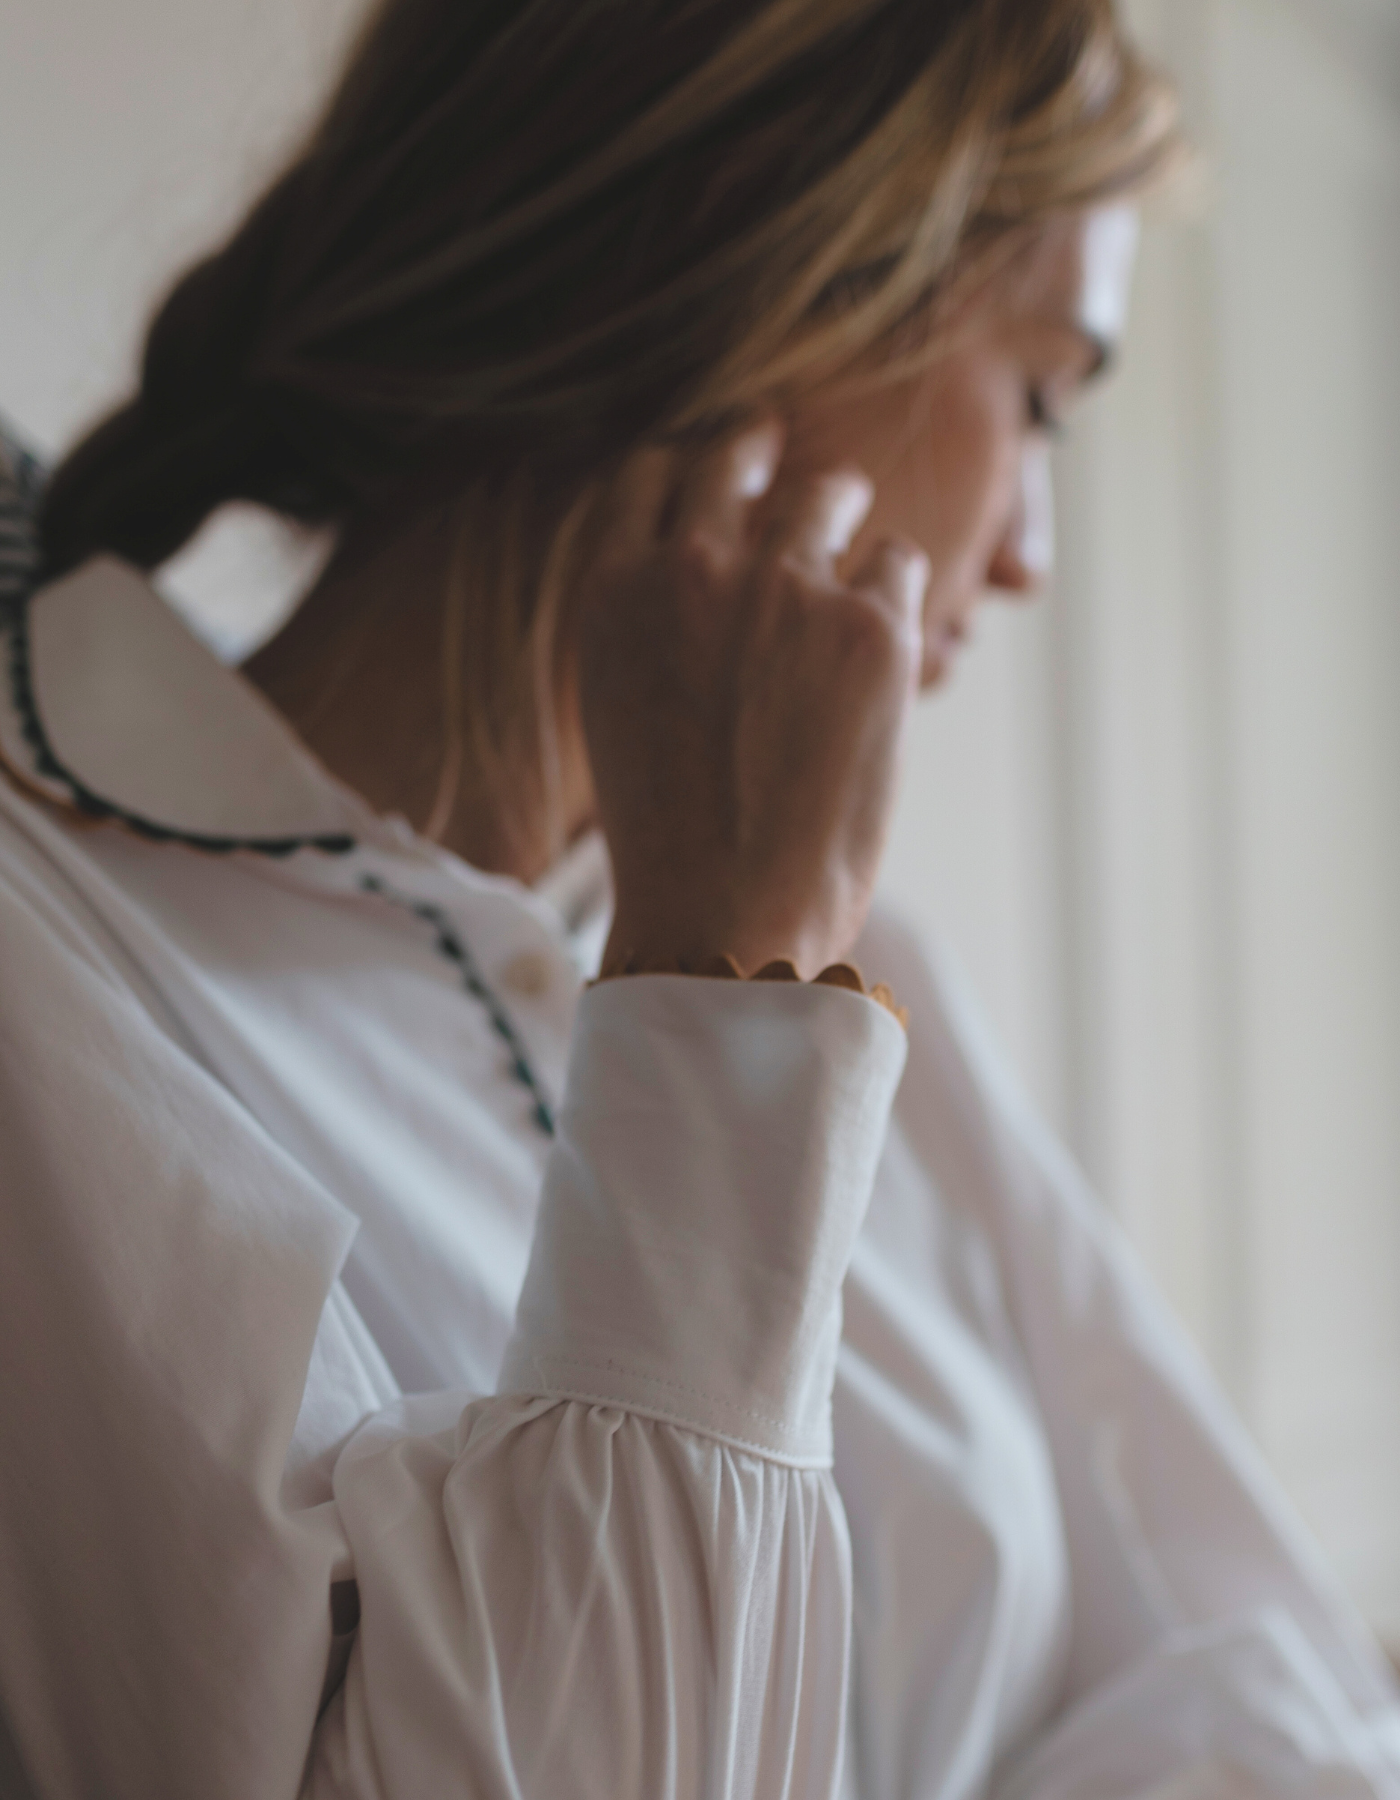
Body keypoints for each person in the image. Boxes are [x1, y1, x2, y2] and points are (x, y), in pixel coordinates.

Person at [0, 0, 1396, 1794]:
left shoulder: (868, 976)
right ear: (773, 285)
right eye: (1042, 396)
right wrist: (723, 995)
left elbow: (1270, 1678)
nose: (1031, 554)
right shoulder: (59, 984)